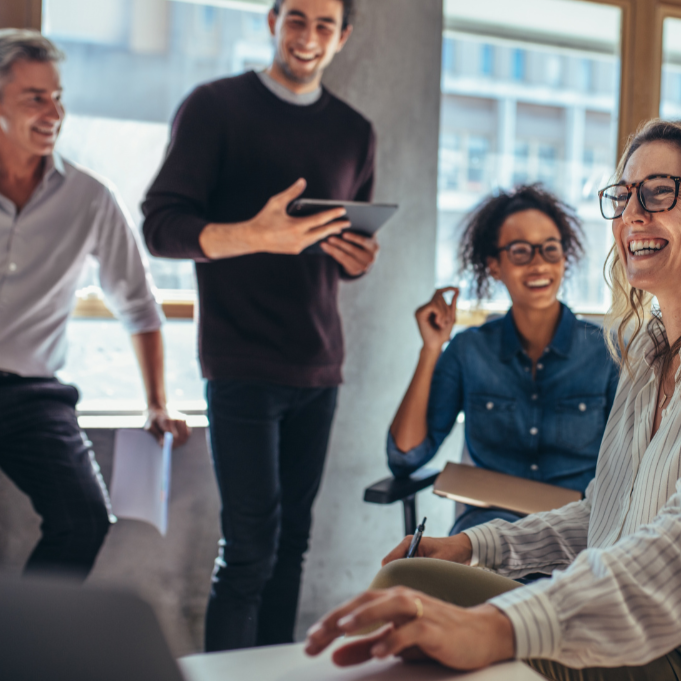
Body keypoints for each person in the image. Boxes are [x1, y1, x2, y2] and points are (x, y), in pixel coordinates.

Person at [305, 118, 681, 680]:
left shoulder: (599, 351)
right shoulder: (643, 358)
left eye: (659, 192)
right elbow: (603, 516)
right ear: (493, 265)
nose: (632, 214)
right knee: (406, 583)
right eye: (624, 196)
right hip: (581, 584)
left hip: (650, 639)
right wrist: (472, 546)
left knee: (426, 626)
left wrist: (496, 625)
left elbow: (665, 560)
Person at [142, 0, 378, 652]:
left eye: (323, 25)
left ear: (342, 38)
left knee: (291, 548)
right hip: (240, 362)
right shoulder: (214, 107)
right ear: (271, 21)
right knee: (248, 551)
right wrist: (253, 234)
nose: (307, 36)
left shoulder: (355, 131)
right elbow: (161, 227)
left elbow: (340, 244)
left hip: (319, 363)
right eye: (296, 18)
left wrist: (356, 258)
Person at [0, 31, 189, 580]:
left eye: (57, 96)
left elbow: (138, 302)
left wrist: (157, 401)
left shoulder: (89, 197)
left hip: (35, 395)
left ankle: (24, 650)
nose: (53, 111)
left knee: (84, 520)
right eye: (35, 97)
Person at [388, 185, 619, 533]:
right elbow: (405, 456)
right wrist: (431, 348)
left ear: (564, 258)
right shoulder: (469, 351)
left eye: (550, 249)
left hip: (577, 537)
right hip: (485, 534)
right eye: (521, 251)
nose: (539, 263)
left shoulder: (607, 353)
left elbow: (634, 468)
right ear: (494, 266)